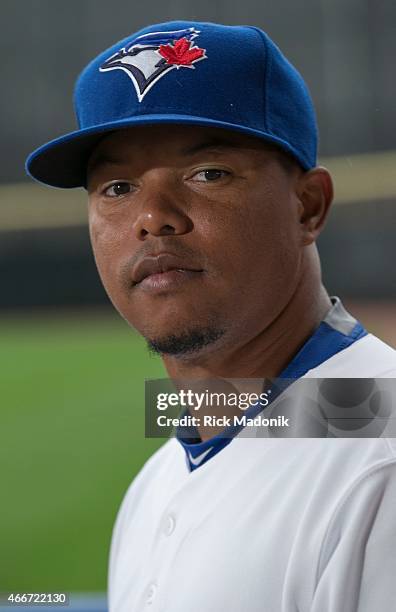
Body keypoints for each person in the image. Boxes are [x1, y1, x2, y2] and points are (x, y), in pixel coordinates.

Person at [26, 20, 396, 612]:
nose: (153, 217)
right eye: (117, 187)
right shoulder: (162, 477)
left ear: (309, 206)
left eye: (208, 174)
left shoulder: (380, 470)